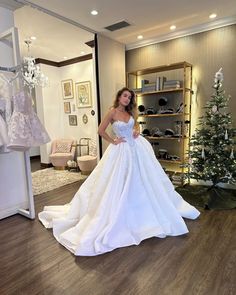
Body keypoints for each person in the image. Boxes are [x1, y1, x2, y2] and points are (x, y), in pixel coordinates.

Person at [38, 87, 200, 256]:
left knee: (144, 180)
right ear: (119, 97)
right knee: (118, 181)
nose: (127, 99)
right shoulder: (112, 112)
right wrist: (113, 141)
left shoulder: (131, 113)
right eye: (125, 96)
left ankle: (143, 213)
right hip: (120, 150)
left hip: (136, 148)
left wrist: (136, 130)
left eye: (129, 97)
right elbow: (100, 130)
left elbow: (135, 124)